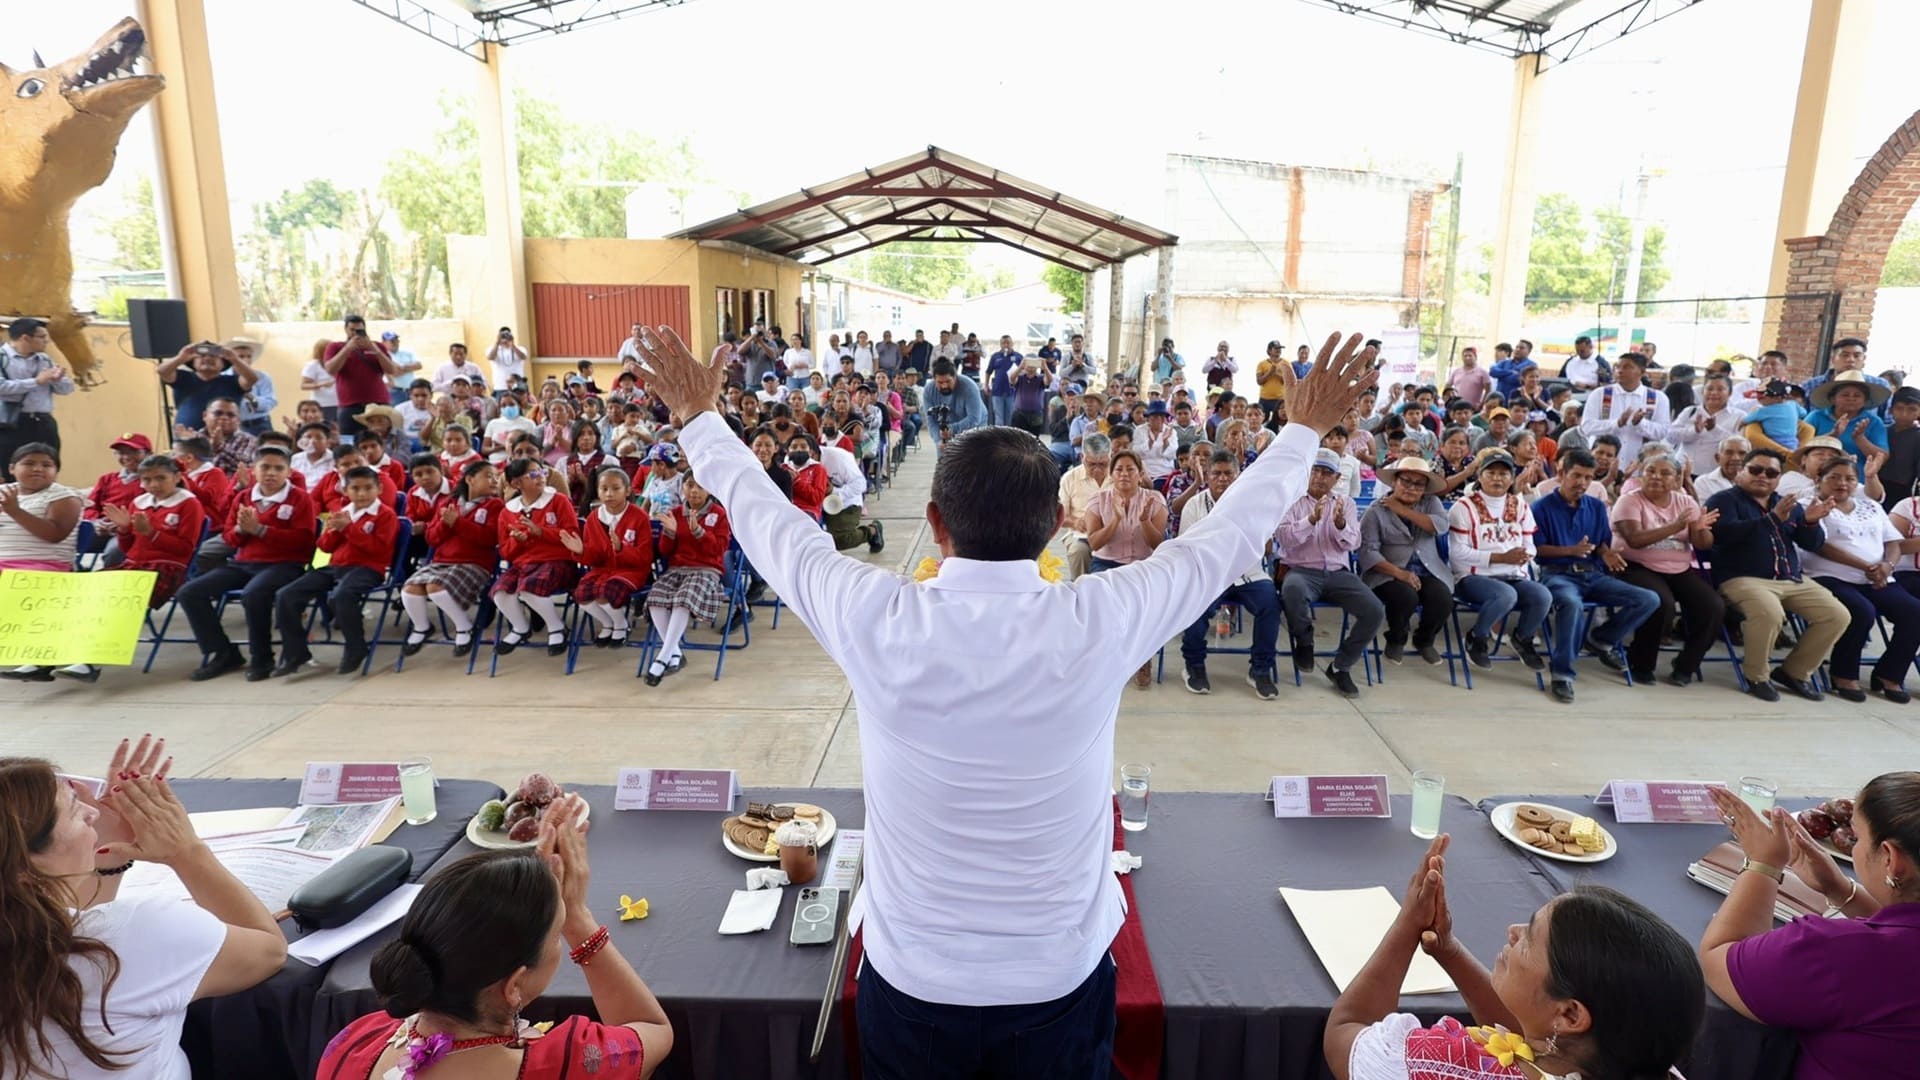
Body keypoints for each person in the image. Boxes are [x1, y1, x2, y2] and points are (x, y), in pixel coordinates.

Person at [628, 323, 1375, 1077]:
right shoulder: (1101, 619)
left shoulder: (875, 616)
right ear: (1055, 526)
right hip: (1056, 979)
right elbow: (1223, 540)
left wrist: (700, 419)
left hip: (913, 980)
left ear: (934, 523)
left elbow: (769, 522)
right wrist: (1301, 430)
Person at [317, 796, 672, 1080]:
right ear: (514, 985)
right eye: (555, 936)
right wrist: (578, 919)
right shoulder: (569, 1065)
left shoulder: (353, 1048)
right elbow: (653, 1030)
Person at [1, 744, 289, 1080]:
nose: (93, 813)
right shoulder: (139, 931)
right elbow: (268, 951)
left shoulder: (30, 942)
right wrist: (186, 851)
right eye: (76, 810)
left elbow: (76, 930)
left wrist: (107, 853)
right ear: (26, 868)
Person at [1326, 837, 1704, 1080]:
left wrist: (1407, 925)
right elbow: (1540, 1037)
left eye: (1529, 938)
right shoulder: (1642, 1062)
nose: (1513, 931)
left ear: (1571, 1014)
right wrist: (1449, 951)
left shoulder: (1447, 1066)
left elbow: (1347, 1033)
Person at [1699, 774, 1920, 1080]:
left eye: (1857, 838)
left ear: (1891, 861)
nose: (1854, 848)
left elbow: (1718, 959)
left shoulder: (1843, 954)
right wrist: (1840, 889)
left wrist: (1763, 864)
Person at [1702, 447, 1850, 702]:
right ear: (1742, 471)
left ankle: (1794, 672)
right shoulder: (1723, 500)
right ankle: (1757, 676)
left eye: (1771, 473)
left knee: (1837, 615)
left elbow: (1811, 544)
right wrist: (1771, 520)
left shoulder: (1787, 504)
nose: (1763, 476)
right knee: (1769, 613)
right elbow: (1723, 535)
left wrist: (1811, 522)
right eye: (1756, 470)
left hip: (1790, 579)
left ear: (1779, 477)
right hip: (1743, 578)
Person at [174, 445, 318, 682]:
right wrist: (241, 530)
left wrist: (261, 530)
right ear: (253, 470)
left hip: (284, 565)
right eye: (265, 467)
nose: (271, 473)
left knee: (253, 594)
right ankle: (223, 653)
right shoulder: (244, 497)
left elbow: (304, 542)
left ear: (289, 472)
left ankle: (262, 658)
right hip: (244, 563)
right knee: (189, 592)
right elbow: (229, 537)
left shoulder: (299, 498)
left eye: (278, 468)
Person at [1527, 449, 1660, 703]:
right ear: (1561, 473)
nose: (1582, 483)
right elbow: (1535, 550)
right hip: (1557, 574)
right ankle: (1562, 674)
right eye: (1577, 476)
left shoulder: (1596, 506)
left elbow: (1601, 544)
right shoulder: (1540, 507)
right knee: (1571, 605)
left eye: (1588, 477)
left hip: (1593, 574)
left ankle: (1601, 640)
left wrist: (1607, 553)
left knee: (1649, 599)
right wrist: (1571, 550)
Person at [1798, 456, 1920, 702]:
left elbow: (1892, 543)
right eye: (1834, 477)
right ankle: (1843, 674)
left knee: (1915, 612)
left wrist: (1887, 566)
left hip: (1876, 577)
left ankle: (1889, 674)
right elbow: (1820, 546)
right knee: (1862, 611)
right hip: (1830, 576)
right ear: (1819, 479)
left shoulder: (1870, 506)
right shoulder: (1807, 505)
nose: (1842, 483)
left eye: (1850, 478)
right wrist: (1867, 566)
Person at [1607, 451, 1724, 686]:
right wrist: (1675, 526)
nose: (1656, 477)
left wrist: (1699, 529)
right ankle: (1641, 663)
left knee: (1713, 607)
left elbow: (1702, 545)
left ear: (1677, 479)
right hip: (1635, 566)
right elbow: (1635, 540)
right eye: (1650, 471)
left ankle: (1686, 666)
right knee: (1662, 603)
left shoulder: (1686, 502)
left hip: (1678, 568)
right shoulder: (1629, 500)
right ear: (1641, 474)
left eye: (1665, 473)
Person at [1277, 448, 1383, 698]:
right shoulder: (1292, 501)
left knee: (1375, 610)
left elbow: (1353, 543)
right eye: (1315, 471)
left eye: (1327, 473)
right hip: (1301, 570)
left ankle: (1340, 666)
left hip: (1338, 573)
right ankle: (1305, 641)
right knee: (1292, 590)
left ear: (1336, 479)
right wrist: (1311, 520)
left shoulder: (1346, 504)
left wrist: (1340, 524)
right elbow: (1284, 538)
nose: (1319, 477)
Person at [272, 465, 397, 677]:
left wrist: (349, 529)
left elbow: (378, 550)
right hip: (336, 567)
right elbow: (325, 546)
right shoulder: (342, 512)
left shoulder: (385, 515)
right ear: (346, 491)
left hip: (368, 568)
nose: (362, 494)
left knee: (342, 595)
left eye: (368, 488)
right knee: (285, 595)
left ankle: (356, 648)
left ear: (379, 489)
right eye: (355, 489)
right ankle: (295, 653)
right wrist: (335, 529)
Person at [1177, 451, 1283, 699]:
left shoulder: (1253, 505)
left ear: (1238, 476)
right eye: (1217, 473)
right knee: (1195, 604)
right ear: (1208, 476)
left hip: (1247, 572)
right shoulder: (1195, 505)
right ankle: (1194, 664)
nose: (1222, 479)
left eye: (1228, 474)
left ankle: (1260, 669)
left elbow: (1265, 547)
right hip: (1209, 573)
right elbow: (1187, 547)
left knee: (1270, 604)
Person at [1446, 451, 1551, 673]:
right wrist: (1500, 558)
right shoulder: (1463, 507)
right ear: (1480, 477)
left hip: (1512, 575)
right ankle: (1477, 637)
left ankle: (1522, 638)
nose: (1497, 478)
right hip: (1473, 577)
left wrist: (1524, 556)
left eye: (1503, 474)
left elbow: (1530, 545)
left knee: (1543, 596)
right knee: (1506, 595)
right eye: (1491, 473)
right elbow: (1456, 553)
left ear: (1512, 478)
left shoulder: (1520, 505)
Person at [397, 459, 501, 659]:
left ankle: (464, 627)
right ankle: (422, 627)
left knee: (436, 587)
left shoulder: (495, 505)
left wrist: (458, 523)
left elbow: (489, 539)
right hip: (441, 562)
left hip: (474, 564)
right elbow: (431, 538)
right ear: (470, 479)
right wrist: (446, 524)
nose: (495, 480)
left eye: (496, 477)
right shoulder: (448, 503)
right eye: (488, 476)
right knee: (409, 589)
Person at [1359, 457, 1452, 666]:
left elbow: (1440, 526)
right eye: (1406, 481)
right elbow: (1368, 553)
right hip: (1387, 572)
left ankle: (1424, 640)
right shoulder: (1375, 511)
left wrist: (1404, 511)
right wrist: (1399, 573)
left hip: (1426, 569)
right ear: (1394, 482)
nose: (1411, 488)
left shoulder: (1431, 503)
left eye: (1419, 484)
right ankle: (1396, 639)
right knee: (1405, 597)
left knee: (1443, 599)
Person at [644, 469, 730, 685]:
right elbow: (665, 550)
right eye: (689, 485)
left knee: (683, 600)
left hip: (706, 570)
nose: (694, 491)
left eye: (700, 486)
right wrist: (670, 532)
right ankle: (675, 653)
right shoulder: (675, 512)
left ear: (709, 489)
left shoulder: (719, 514)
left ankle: (663, 657)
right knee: (655, 599)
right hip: (677, 569)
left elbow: (718, 550)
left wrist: (699, 532)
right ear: (682, 488)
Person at [492, 457, 580, 657]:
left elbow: (573, 534)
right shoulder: (508, 511)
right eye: (533, 474)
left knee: (529, 588)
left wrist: (540, 532)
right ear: (516, 483)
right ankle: (520, 628)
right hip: (523, 565)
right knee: (500, 591)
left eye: (542, 472)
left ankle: (556, 627)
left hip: (558, 562)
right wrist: (518, 541)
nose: (540, 476)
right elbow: (505, 552)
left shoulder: (558, 500)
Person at [559, 466, 654, 649]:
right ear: (598, 491)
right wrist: (581, 550)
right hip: (602, 570)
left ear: (628, 491)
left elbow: (644, 558)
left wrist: (621, 549)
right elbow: (595, 558)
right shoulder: (593, 518)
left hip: (631, 571)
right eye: (604, 489)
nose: (609, 494)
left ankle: (621, 625)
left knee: (605, 593)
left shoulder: (639, 517)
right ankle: (608, 623)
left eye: (616, 488)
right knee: (581, 594)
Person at [1578, 352, 1668, 463]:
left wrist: (1640, 424)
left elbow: (1663, 432)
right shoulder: (1600, 394)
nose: (1620, 371)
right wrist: (1617, 423)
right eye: (1618, 367)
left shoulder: (1658, 398)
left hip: (1639, 463)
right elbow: (1586, 427)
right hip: (1603, 463)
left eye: (1627, 367)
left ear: (1642, 372)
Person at [158, 338, 261, 435]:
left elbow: (252, 379)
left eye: (213, 356)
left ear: (223, 364)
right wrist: (181, 357)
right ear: (193, 362)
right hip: (188, 438)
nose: (207, 358)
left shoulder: (233, 381)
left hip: (226, 440)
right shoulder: (183, 378)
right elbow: (162, 371)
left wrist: (234, 358)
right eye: (201, 356)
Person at [322, 316, 403, 435]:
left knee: (382, 438)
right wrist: (347, 349)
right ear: (346, 330)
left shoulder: (377, 346)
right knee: (349, 439)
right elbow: (330, 369)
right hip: (350, 405)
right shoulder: (335, 347)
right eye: (352, 330)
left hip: (378, 404)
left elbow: (391, 370)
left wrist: (374, 349)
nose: (355, 333)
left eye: (359, 330)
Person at [1806, 370, 1891, 472]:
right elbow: (1800, 447)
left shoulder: (1874, 422)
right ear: (1833, 399)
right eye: (1845, 395)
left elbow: (1882, 458)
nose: (1851, 398)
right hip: (1817, 476)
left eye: (1857, 395)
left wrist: (1860, 438)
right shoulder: (1816, 416)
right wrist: (1833, 435)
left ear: (1865, 400)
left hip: (1856, 478)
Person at [1057, 434, 1111, 580]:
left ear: (1110, 457)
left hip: (1113, 532)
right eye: (1092, 464)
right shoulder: (1070, 478)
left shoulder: (1118, 476)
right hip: (1080, 534)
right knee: (1079, 550)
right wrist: (1075, 522)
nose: (1097, 469)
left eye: (1103, 464)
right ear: (1082, 457)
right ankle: (1079, 587)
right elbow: (1060, 516)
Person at [1672, 375, 1740, 475]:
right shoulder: (1690, 411)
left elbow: (1739, 445)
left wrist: (1714, 430)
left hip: (1713, 475)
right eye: (1709, 389)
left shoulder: (1739, 416)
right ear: (1703, 392)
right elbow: (1671, 436)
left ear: (1730, 393)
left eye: (1720, 389)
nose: (1714, 393)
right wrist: (1694, 431)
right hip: (1682, 470)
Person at [920, 359, 988, 447]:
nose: (944, 386)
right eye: (940, 382)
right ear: (934, 379)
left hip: (975, 425)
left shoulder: (970, 387)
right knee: (944, 453)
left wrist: (951, 429)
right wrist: (939, 440)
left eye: (948, 381)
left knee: (971, 452)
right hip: (946, 428)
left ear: (955, 377)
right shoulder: (928, 390)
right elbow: (931, 421)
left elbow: (974, 419)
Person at [1741, 379, 1809, 456]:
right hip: (1793, 442)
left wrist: (1741, 424)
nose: (1759, 400)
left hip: (1773, 441)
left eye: (1761, 397)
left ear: (1777, 398)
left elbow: (1747, 419)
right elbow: (1804, 413)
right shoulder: (1793, 404)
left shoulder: (1764, 411)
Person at [1880, 385, 1920, 510]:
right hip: (1876, 485)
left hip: (1904, 490)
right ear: (1890, 410)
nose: (1904, 414)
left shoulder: (1918, 436)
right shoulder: (1881, 431)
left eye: (1912, 409)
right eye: (1899, 408)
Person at [301, 337, 342, 421]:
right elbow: (304, 385)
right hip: (322, 404)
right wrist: (322, 384)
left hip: (339, 403)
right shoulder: (313, 365)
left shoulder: (337, 363)